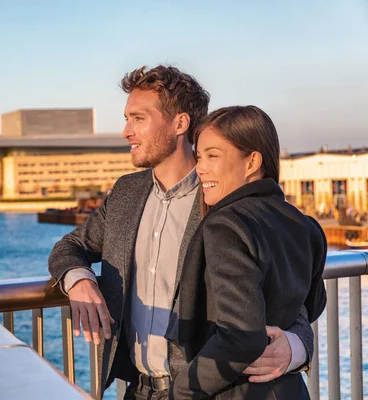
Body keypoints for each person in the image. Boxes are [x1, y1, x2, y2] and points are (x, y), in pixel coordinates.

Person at [48, 66, 320, 399]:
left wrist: (297, 345)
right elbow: (70, 245)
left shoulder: (225, 199)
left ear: (180, 123)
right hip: (137, 389)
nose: (125, 131)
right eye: (126, 118)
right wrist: (80, 280)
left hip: (203, 391)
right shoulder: (126, 193)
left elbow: (290, 295)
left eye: (138, 118)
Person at [167, 105, 326, 398]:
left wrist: (183, 391)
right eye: (199, 156)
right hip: (289, 389)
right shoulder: (304, 224)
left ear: (252, 161)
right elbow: (312, 305)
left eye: (213, 155)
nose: (200, 167)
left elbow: (240, 336)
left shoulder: (226, 225)